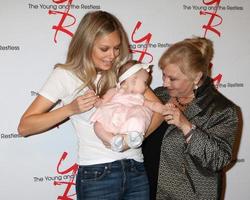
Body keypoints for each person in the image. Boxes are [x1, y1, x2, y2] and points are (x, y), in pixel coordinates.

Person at [17, 10, 162, 200]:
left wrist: (133, 139)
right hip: (97, 175)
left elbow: (158, 111)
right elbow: (25, 127)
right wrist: (70, 109)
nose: (112, 55)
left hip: (136, 169)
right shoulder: (65, 75)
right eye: (105, 49)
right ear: (86, 45)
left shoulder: (124, 70)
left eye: (117, 48)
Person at [145, 36, 239, 200]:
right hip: (146, 191)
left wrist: (186, 125)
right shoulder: (159, 95)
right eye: (164, 75)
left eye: (173, 78)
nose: (165, 83)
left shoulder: (222, 110)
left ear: (196, 77)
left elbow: (219, 160)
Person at [90, 60, 167, 152]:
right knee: (98, 125)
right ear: (134, 80)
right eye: (145, 83)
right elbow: (102, 103)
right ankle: (112, 140)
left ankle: (134, 136)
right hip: (112, 117)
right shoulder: (114, 91)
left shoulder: (140, 98)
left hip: (128, 122)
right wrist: (94, 100)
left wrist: (164, 109)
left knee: (137, 119)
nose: (147, 87)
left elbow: (153, 105)